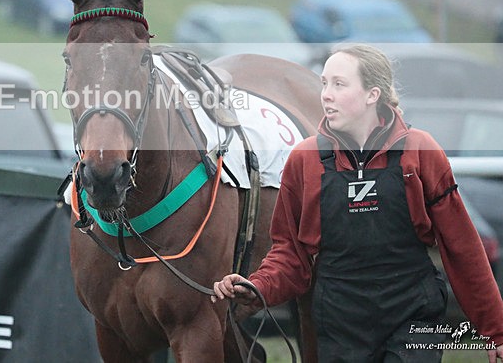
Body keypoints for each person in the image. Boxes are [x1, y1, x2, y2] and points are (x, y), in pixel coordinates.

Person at [212, 44, 503, 362]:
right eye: (324, 83)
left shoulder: (419, 150)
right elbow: (290, 258)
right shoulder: (304, 161)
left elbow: (463, 249)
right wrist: (256, 287)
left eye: (339, 84)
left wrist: (495, 331)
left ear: (372, 95)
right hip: (339, 323)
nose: (326, 94)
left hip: (414, 316)